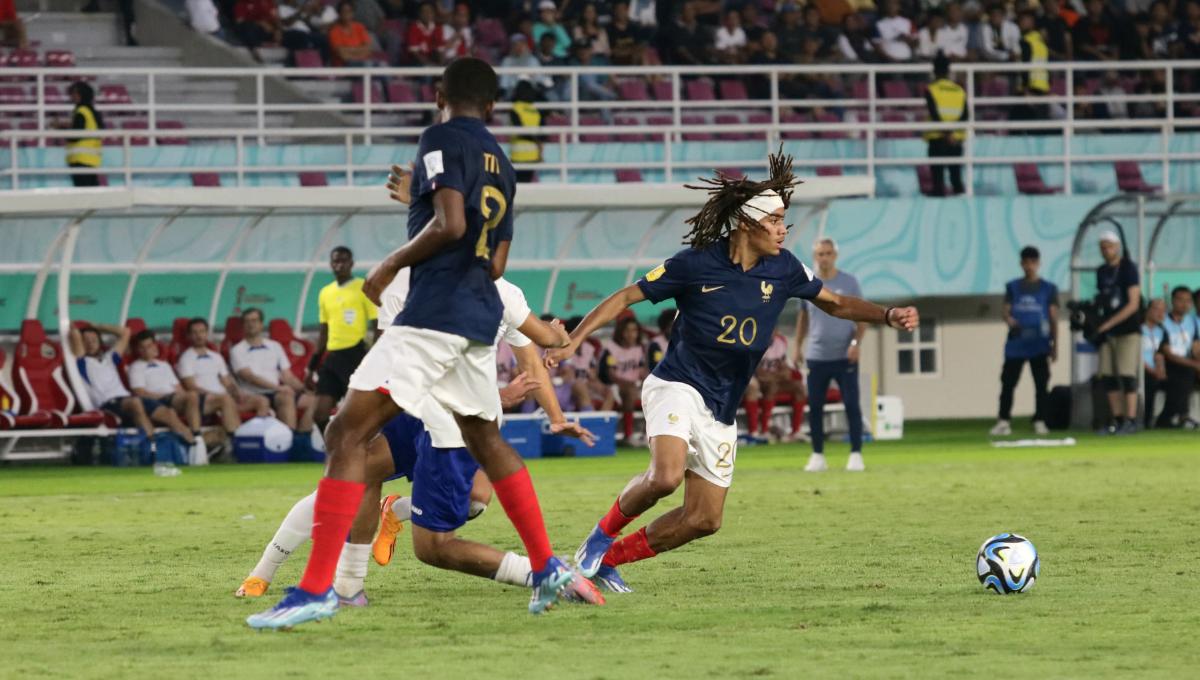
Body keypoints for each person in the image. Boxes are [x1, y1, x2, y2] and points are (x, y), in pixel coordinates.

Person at [248, 58, 579, 630]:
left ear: (438, 94)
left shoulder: (439, 137)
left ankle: (315, 589)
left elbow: (450, 225)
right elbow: (493, 255)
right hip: (477, 314)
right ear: (495, 107)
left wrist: (391, 263)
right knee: (486, 437)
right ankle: (546, 565)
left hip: (435, 313)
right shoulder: (503, 161)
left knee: (345, 432)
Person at [547, 151, 919, 591]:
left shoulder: (785, 269)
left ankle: (608, 560)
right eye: (776, 220)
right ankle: (600, 536)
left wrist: (887, 314)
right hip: (677, 385)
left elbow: (835, 303)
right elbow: (627, 296)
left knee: (705, 519)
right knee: (665, 476)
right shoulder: (695, 263)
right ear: (748, 224)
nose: (784, 229)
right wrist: (574, 337)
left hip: (722, 407)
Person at [238, 270, 599, 605]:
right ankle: (280, 575)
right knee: (362, 485)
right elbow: (392, 352)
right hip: (413, 411)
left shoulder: (503, 291)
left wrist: (556, 417)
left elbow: (533, 359)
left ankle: (393, 516)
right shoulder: (407, 280)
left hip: (458, 419)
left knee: (476, 501)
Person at [68, 323, 189, 476]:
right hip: (108, 404)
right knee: (136, 403)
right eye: (86, 340)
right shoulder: (81, 361)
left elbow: (125, 332)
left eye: (94, 339)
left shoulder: (110, 358)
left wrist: (96, 326)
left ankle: (194, 451)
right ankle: (154, 455)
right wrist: (83, 327)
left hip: (127, 400)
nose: (90, 343)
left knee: (169, 414)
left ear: (100, 341)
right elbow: (75, 333)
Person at [794, 237, 868, 472]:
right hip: (817, 356)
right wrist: (797, 345)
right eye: (819, 254)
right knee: (815, 407)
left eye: (827, 253)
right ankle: (817, 455)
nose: (823, 258)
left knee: (852, 405)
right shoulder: (809, 284)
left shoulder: (849, 282)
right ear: (814, 257)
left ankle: (856, 454)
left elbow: (862, 316)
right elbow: (803, 317)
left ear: (834, 256)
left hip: (844, 356)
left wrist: (856, 343)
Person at [990, 246, 1059, 437]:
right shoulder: (1013, 287)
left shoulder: (1048, 289)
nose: (1029, 266)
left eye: (1032, 262)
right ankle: (1003, 421)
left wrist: (1055, 346)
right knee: (1008, 383)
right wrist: (1009, 320)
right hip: (1016, 344)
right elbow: (1006, 311)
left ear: (1038, 264)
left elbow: (1053, 318)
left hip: (1039, 343)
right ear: (1021, 264)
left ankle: (1040, 420)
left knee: (1041, 384)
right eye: (1025, 262)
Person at [310, 246, 376, 431]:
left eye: (343, 261)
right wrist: (312, 365)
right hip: (332, 357)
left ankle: (361, 454)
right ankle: (335, 455)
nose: (339, 265)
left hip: (355, 355)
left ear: (351, 263)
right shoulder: (325, 292)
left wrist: (375, 357)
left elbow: (377, 324)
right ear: (331, 264)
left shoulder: (364, 287)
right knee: (319, 414)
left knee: (356, 413)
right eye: (335, 261)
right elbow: (324, 331)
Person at [229, 307, 315, 436]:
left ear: (261, 323)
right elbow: (249, 377)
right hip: (254, 394)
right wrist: (278, 388)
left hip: (276, 391)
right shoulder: (237, 350)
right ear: (243, 326)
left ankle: (303, 436)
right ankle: (289, 439)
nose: (251, 324)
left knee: (316, 401)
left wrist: (304, 389)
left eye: (254, 320)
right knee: (286, 396)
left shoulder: (274, 346)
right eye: (247, 321)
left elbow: (288, 376)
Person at [127, 330, 210, 462]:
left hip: (174, 399)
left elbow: (179, 388)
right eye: (142, 347)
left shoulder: (164, 365)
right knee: (189, 398)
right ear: (138, 350)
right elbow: (139, 392)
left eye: (148, 346)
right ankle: (195, 441)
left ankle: (196, 438)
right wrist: (167, 396)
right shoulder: (136, 367)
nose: (145, 350)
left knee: (195, 397)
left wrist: (186, 398)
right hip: (157, 400)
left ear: (155, 346)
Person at [1093, 231, 1143, 435]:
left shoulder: (1128, 268)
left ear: (1117, 247)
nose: (1106, 250)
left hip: (1128, 330)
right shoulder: (1101, 271)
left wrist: (1108, 324)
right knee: (1108, 376)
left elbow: (1133, 304)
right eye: (1103, 247)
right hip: (1108, 333)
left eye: (1109, 246)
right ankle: (1117, 418)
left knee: (1127, 374)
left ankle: (1131, 419)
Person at [177, 318, 270, 424]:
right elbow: (191, 387)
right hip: (207, 401)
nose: (199, 336)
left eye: (202, 332)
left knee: (262, 401)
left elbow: (227, 381)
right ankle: (235, 434)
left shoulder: (216, 356)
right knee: (225, 400)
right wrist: (217, 395)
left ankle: (256, 432)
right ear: (189, 336)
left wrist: (236, 392)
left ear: (207, 333)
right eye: (195, 332)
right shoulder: (186, 359)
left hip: (225, 397)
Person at [599, 316, 648, 446]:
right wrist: (629, 384)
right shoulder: (611, 348)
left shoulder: (639, 348)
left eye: (634, 330)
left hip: (634, 385)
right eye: (627, 330)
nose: (631, 334)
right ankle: (628, 435)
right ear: (621, 332)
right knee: (630, 392)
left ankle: (646, 435)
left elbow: (642, 370)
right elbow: (610, 375)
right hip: (615, 387)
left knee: (655, 394)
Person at [924, 53, 967, 196]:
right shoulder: (960, 90)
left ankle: (938, 213)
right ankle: (961, 208)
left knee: (938, 181)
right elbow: (965, 115)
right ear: (949, 71)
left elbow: (935, 114)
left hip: (938, 137)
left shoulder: (931, 89)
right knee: (956, 178)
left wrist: (946, 133)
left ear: (934, 70)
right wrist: (953, 134)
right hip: (956, 139)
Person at [1157, 286, 1200, 428]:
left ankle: (1170, 417)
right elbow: (1167, 353)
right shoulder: (1163, 321)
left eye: (1188, 301)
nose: (1184, 304)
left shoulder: (1191, 321)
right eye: (1180, 300)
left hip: (1186, 363)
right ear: (1173, 301)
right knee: (1186, 372)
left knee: (1189, 371)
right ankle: (1183, 415)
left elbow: (1195, 347)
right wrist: (1195, 364)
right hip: (1167, 363)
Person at [753, 330, 806, 443]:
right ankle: (765, 431)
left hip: (775, 380)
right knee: (772, 386)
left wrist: (775, 375)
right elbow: (758, 372)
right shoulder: (754, 341)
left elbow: (785, 371)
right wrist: (775, 375)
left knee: (799, 388)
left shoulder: (779, 342)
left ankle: (795, 432)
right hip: (759, 382)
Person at [60, 82, 104, 188]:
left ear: (82, 94)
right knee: (92, 191)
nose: (72, 96)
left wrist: (62, 128)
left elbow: (75, 135)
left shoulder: (81, 112)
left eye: (75, 93)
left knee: (82, 192)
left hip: (80, 159)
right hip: (92, 159)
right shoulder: (93, 112)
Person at [509, 80, 543, 183]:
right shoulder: (535, 110)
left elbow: (520, 129)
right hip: (533, 154)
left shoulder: (516, 108)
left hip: (518, 155)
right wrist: (536, 141)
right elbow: (542, 132)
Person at [1141, 298, 1167, 429]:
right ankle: (1146, 421)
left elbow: (1160, 353)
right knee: (1149, 382)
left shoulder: (1161, 331)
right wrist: (1152, 370)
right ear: (1148, 310)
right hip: (1142, 369)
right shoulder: (1139, 329)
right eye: (1157, 309)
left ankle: (1166, 418)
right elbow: (1136, 355)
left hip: (1156, 369)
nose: (1161, 314)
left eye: (1164, 310)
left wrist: (1160, 370)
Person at [328, 1, 374, 66]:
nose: (347, 14)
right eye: (344, 11)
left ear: (353, 13)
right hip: (344, 67)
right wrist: (359, 50)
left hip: (363, 64)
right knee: (368, 65)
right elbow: (343, 55)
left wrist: (349, 50)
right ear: (339, 14)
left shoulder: (359, 27)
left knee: (383, 65)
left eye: (349, 11)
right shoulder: (334, 31)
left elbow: (368, 49)